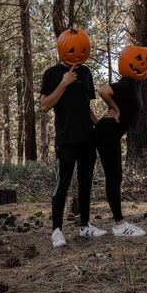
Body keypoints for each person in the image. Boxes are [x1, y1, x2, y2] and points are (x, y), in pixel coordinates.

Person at [41, 28, 107, 248]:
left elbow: (86, 106)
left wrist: (100, 125)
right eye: (72, 50)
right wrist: (64, 82)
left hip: (87, 139)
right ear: (62, 49)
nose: (77, 53)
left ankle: (86, 225)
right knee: (62, 185)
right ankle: (56, 230)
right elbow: (44, 105)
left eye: (82, 50)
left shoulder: (86, 72)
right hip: (66, 139)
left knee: (86, 183)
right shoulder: (51, 74)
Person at [94, 45, 147, 237]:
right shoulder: (127, 82)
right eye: (138, 60)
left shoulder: (136, 83)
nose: (142, 64)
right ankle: (119, 225)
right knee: (114, 177)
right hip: (106, 134)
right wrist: (115, 109)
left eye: (145, 61)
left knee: (116, 177)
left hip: (110, 133)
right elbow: (103, 91)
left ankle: (119, 223)